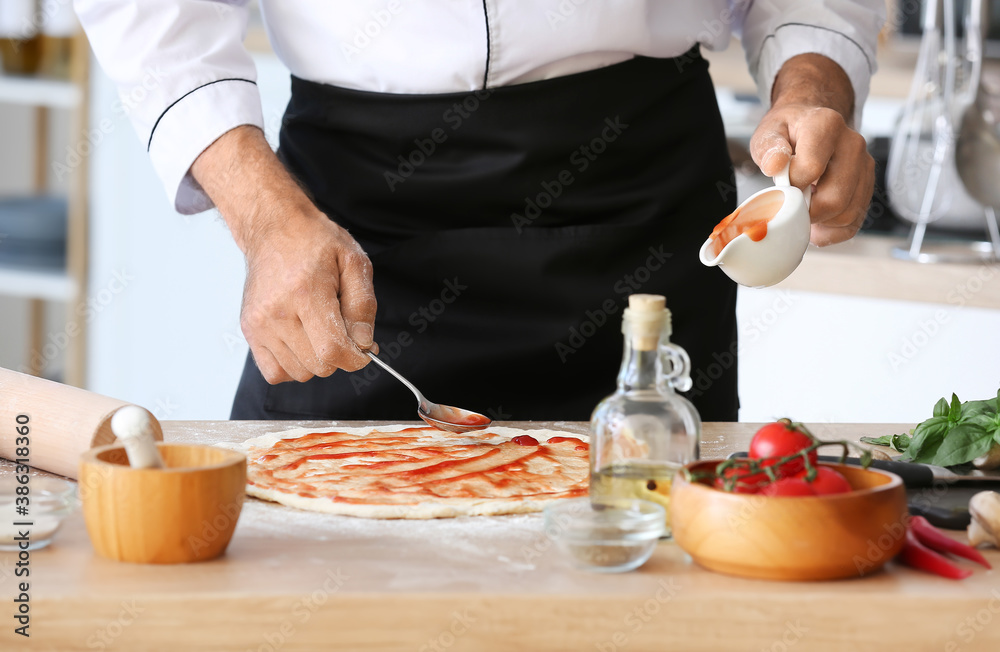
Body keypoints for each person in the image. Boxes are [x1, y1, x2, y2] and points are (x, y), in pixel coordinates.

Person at [75, 1, 884, 422]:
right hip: (353, 222)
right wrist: (262, 216)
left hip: (638, 202)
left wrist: (814, 87)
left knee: (658, 572)